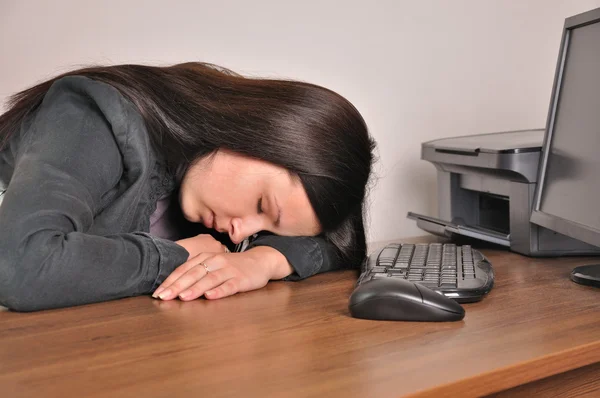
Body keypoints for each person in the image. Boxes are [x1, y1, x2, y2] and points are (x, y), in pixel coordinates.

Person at [0, 62, 375, 312]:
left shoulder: (200, 176)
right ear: (258, 133)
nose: (240, 231)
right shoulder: (96, 117)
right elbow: (22, 266)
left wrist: (263, 260)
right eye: (262, 205)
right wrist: (177, 257)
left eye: (265, 230)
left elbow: (341, 246)